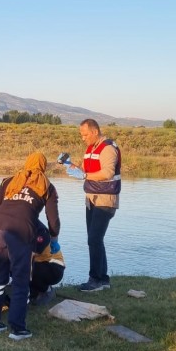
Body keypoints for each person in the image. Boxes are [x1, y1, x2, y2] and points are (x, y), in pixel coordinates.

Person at [0, 151, 60, 340]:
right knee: (20, 279)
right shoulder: (47, 186)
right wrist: (54, 239)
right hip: (20, 231)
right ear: (43, 166)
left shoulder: (9, 181)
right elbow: (54, 221)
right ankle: (18, 329)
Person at [77, 118, 121, 291]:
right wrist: (74, 168)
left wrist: (85, 176)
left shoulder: (108, 148)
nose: (83, 138)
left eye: (85, 134)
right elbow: (84, 170)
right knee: (95, 239)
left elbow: (108, 172)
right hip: (91, 199)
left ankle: (95, 279)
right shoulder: (90, 148)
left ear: (95, 132)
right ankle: (102, 279)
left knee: (94, 239)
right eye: (81, 135)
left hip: (105, 200)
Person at [30, 221, 65, 303]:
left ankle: (47, 291)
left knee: (27, 268)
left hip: (54, 267)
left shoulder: (39, 231)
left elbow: (28, 256)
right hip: (39, 263)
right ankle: (34, 291)